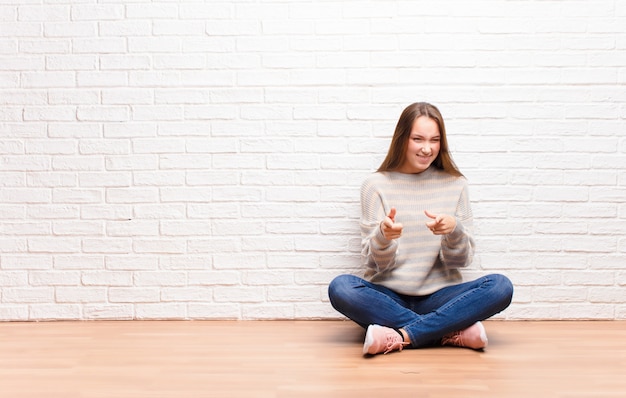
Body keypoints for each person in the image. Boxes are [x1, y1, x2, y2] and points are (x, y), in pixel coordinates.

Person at [328, 102, 513, 356]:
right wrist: (384, 237)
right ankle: (447, 331)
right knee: (341, 288)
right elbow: (376, 263)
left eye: (435, 140)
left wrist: (454, 231)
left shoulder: (456, 184)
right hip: (389, 296)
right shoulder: (374, 185)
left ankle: (402, 335)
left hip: (440, 296)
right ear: (402, 139)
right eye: (418, 139)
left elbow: (460, 261)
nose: (427, 149)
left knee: (501, 286)